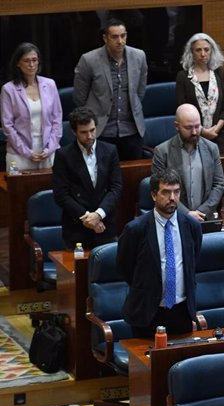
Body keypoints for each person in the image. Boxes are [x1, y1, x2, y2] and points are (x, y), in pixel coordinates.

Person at [117, 168, 203, 338]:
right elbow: (124, 267)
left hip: (181, 311)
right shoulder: (135, 229)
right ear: (154, 195)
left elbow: (193, 261)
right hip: (148, 312)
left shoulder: (191, 226)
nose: (172, 198)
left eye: (176, 192)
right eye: (166, 192)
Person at [73, 18, 147, 161]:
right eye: (114, 37)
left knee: (133, 177)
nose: (120, 41)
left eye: (123, 36)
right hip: (101, 131)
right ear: (105, 38)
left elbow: (140, 91)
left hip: (132, 130)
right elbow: (79, 97)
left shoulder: (139, 56)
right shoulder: (89, 60)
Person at [52, 107, 122, 250]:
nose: (89, 136)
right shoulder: (63, 156)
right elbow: (61, 194)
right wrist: (87, 217)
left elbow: (116, 188)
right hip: (77, 229)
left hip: (105, 226)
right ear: (74, 132)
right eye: (84, 132)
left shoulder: (110, 151)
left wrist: (98, 215)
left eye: (92, 130)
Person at [152, 103, 224, 222]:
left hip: (205, 218)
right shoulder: (162, 152)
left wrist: (202, 212)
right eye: (188, 128)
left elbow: (219, 184)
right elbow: (160, 188)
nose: (195, 132)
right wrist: (186, 213)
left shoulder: (212, 149)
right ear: (177, 126)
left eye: (197, 126)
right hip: (174, 218)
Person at [1, 42, 62, 171]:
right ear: (18, 63)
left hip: (48, 152)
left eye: (34, 60)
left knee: (51, 190)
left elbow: (57, 120)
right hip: (19, 154)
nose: (31, 65)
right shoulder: (8, 89)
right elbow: (7, 126)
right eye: (27, 61)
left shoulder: (50, 84)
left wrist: (50, 148)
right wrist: (27, 152)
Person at [176, 33, 224, 154]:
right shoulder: (183, 77)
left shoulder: (220, 73)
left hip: (220, 136)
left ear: (212, 51)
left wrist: (215, 129)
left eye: (206, 49)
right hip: (193, 136)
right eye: (198, 50)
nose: (203, 54)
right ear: (191, 52)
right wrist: (202, 131)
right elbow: (181, 108)